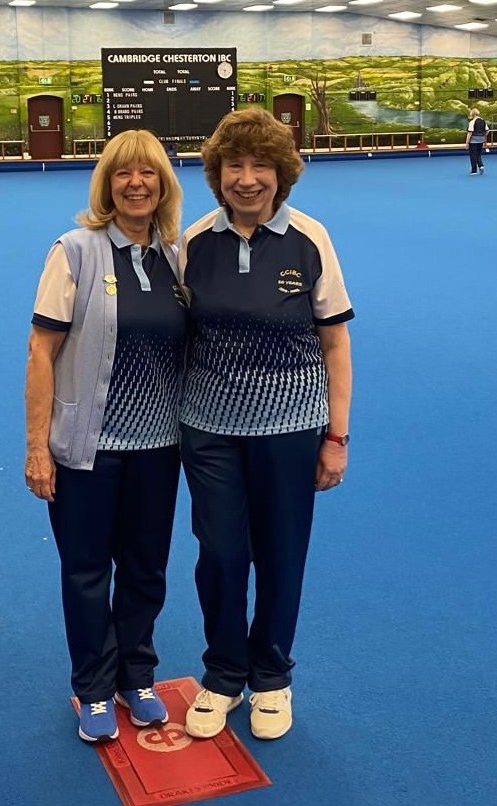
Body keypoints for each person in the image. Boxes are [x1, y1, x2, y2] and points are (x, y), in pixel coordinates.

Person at [178, 108, 354, 741]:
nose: (247, 179)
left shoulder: (311, 239)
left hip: (290, 424)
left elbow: (335, 344)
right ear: (216, 174)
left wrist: (335, 437)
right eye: (234, 166)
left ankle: (273, 674)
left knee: (281, 552)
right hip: (209, 427)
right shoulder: (193, 242)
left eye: (261, 167)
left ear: (282, 174)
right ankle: (224, 673)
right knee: (220, 554)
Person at [24, 130, 187, 743]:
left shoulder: (173, 256)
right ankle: (92, 685)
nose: (136, 184)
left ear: (164, 184)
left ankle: (135, 675)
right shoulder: (74, 251)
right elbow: (41, 352)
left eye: (148, 173)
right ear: (107, 184)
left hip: (157, 448)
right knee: (87, 570)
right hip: (86, 447)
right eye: (123, 174)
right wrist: (38, 448)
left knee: (146, 568)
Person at [466, 108, 489, 175]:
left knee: (473, 155)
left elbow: (470, 133)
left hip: (473, 140)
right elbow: (487, 130)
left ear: (472, 115)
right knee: (478, 154)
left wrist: (467, 143)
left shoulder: (472, 122)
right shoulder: (483, 121)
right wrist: (484, 136)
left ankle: (474, 170)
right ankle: (481, 166)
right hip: (481, 139)